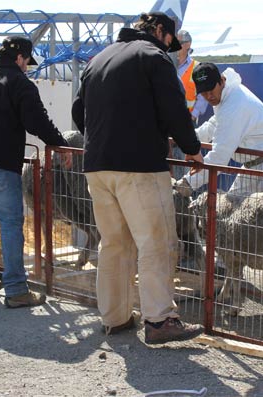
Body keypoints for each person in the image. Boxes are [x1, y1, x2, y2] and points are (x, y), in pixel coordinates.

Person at [71, 12, 205, 344]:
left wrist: (105, 139)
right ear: (159, 31)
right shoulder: (152, 56)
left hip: (98, 167)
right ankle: (160, 321)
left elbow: (77, 112)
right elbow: (174, 108)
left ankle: (115, 319)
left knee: (114, 244)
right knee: (156, 243)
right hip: (140, 168)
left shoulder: (99, 59)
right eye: (169, 40)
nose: (170, 47)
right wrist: (192, 148)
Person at [0, 36, 71, 307]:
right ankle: (16, 288)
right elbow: (37, 121)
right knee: (10, 224)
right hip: (2, 165)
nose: (27, 67)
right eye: (27, 62)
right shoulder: (20, 83)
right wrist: (61, 146)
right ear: (20, 59)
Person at [175, 62, 263, 197]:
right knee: (231, 213)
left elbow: (220, 156)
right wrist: (185, 139)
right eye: (203, 92)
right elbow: (214, 125)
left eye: (211, 90)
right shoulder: (227, 95)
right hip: (252, 165)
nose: (209, 96)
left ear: (222, 80)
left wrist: (188, 183)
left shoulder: (234, 104)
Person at [177, 30, 208, 125]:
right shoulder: (165, 65)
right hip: (167, 121)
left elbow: (203, 95)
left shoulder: (197, 67)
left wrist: (193, 115)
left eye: (178, 43)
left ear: (188, 44)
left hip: (188, 121)